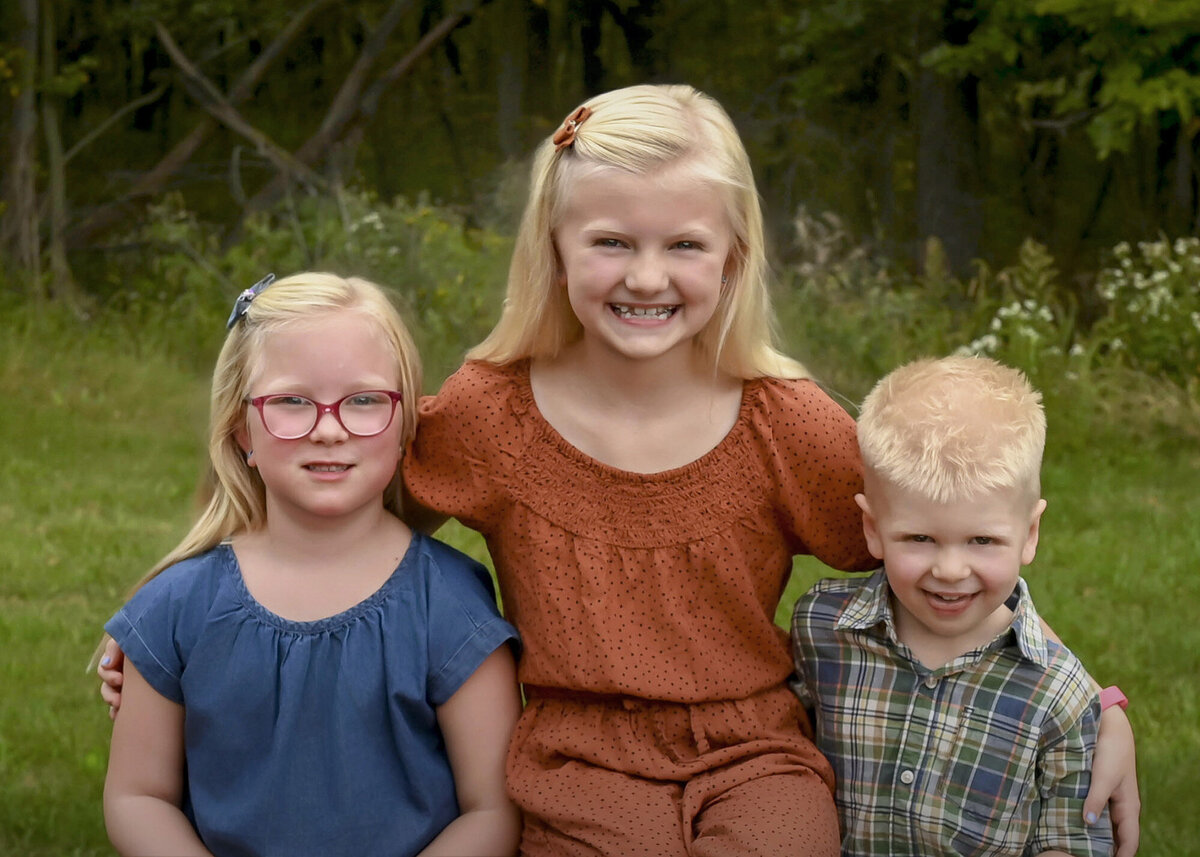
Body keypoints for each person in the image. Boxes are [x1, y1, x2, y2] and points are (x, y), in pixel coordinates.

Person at [101, 85, 1139, 855]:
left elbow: (950, 540)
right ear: (553, 248)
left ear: (734, 255)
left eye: (685, 243)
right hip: (574, 757)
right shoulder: (490, 414)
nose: (647, 276)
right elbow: (331, 505)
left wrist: (1091, 711)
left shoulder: (785, 422)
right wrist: (188, 644)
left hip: (754, 749)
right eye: (610, 241)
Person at [101, 272, 522, 857]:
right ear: (241, 428)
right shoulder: (178, 607)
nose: (329, 429)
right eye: (292, 402)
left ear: (406, 426)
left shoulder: (448, 604)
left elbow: (494, 811)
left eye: (366, 400)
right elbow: (137, 797)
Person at [791, 355, 1116, 856]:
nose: (949, 569)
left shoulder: (1058, 694)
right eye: (920, 537)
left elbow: (1070, 839)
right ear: (873, 528)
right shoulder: (822, 630)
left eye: (982, 540)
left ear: (1029, 534)